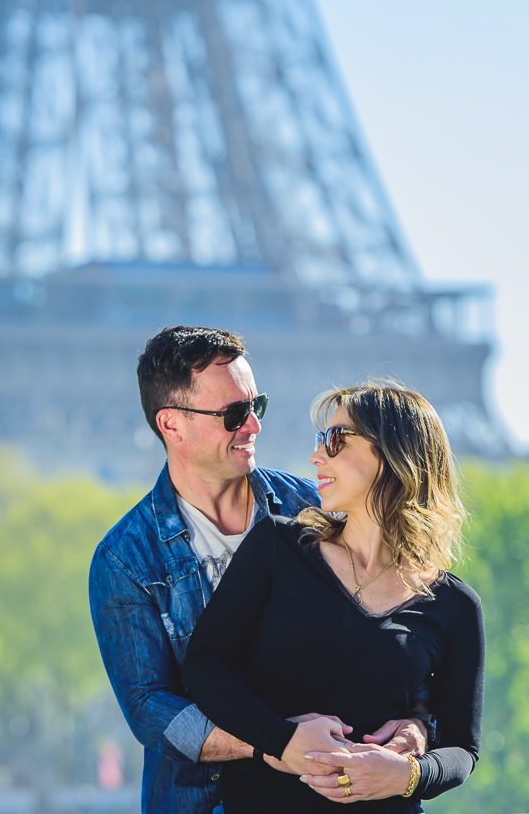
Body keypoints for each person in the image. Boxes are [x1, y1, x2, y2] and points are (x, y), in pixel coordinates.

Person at [89, 330, 428, 814]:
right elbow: (150, 709)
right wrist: (277, 742)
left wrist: (418, 723)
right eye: (232, 414)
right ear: (172, 425)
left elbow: (409, 630)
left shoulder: (317, 509)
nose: (253, 426)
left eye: (257, 406)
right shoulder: (123, 559)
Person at [182, 380, 485, 813]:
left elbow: (462, 750)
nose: (316, 455)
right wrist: (281, 740)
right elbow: (205, 663)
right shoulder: (277, 546)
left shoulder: (455, 605)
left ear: (392, 453)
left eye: (335, 439)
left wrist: (409, 775)